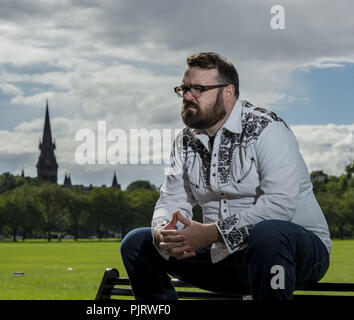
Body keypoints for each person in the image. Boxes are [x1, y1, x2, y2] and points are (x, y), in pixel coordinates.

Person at [120, 52, 332, 300]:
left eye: (198, 89)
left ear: (228, 93)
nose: (188, 96)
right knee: (138, 243)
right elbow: (171, 199)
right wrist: (164, 233)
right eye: (184, 88)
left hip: (295, 255)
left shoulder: (268, 129)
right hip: (223, 259)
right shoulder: (184, 141)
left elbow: (279, 205)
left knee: (269, 234)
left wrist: (211, 233)